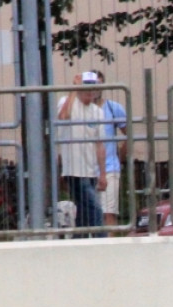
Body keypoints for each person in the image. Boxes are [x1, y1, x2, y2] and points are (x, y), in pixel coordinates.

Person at [57, 71, 106, 232]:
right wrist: (73, 89)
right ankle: (101, 241)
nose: (90, 91)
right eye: (86, 87)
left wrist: (103, 174)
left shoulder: (97, 111)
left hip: (90, 170)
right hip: (74, 170)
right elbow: (63, 116)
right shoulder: (67, 102)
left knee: (84, 214)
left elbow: (99, 144)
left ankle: (80, 241)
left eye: (94, 87)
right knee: (96, 209)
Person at [92, 70, 127, 230]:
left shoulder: (113, 108)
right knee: (90, 212)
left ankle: (110, 246)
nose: (95, 88)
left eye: (99, 84)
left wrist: (120, 157)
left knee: (109, 212)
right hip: (87, 169)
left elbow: (129, 134)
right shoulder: (81, 110)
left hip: (109, 167)